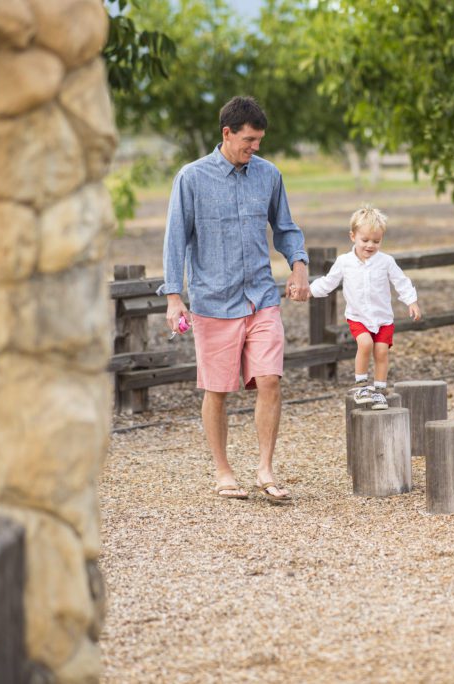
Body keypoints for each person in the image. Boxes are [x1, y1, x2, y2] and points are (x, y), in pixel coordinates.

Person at [159, 96, 310, 501]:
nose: (255, 147)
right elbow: (175, 241)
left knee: (270, 379)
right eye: (249, 139)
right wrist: (175, 298)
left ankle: (265, 468)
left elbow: (286, 228)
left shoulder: (269, 175)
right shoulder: (191, 178)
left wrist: (298, 266)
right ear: (226, 133)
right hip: (213, 301)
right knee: (218, 390)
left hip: (260, 296)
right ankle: (224, 472)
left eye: (259, 140)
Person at [309, 205, 421, 408]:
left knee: (381, 351)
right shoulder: (344, 262)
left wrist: (411, 301)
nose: (370, 245)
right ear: (353, 236)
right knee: (366, 344)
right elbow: (328, 282)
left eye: (376, 241)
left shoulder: (386, 261)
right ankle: (361, 386)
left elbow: (401, 281)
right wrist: (309, 290)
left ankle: (379, 391)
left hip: (383, 318)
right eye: (365, 240)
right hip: (358, 317)